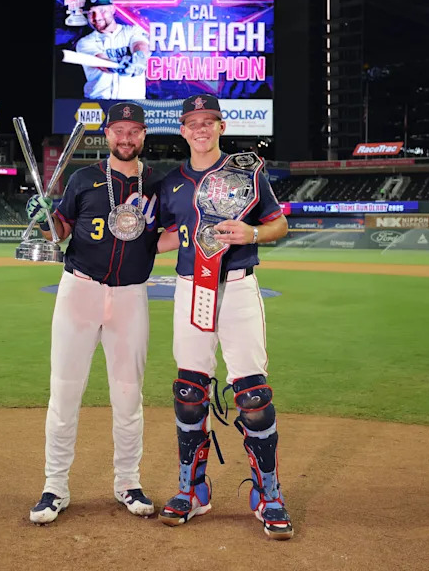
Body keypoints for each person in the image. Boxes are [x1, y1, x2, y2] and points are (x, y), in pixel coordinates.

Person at [25, 102, 172, 524]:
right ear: (106, 133)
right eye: (119, 131)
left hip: (130, 296)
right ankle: (55, 487)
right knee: (65, 392)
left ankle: (127, 483)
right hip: (80, 292)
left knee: (129, 396)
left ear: (144, 135)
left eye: (134, 131)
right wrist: (43, 218)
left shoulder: (157, 185)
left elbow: (164, 237)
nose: (126, 139)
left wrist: (168, 238)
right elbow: (62, 228)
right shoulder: (83, 178)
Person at [156, 94, 294, 540]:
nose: (200, 129)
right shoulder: (171, 183)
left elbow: (279, 224)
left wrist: (252, 231)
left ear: (221, 126)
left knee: (252, 395)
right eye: (192, 122)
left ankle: (268, 494)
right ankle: (192, 490)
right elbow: (158, 238)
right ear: (182, 130)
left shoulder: (246, 172)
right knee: (188, 390)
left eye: (208, 121)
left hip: (236, 286)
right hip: (188, 288)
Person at [74, 0, 150, 100]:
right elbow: (102, 63)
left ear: (112, 9)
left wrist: (139, 57)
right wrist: (118, 67)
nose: (97, 17)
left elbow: (140, 44)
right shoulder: (85, 43)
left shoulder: (132, 31)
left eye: (102, 10)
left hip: (133, 103)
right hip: (97, 105)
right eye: (91, 12)